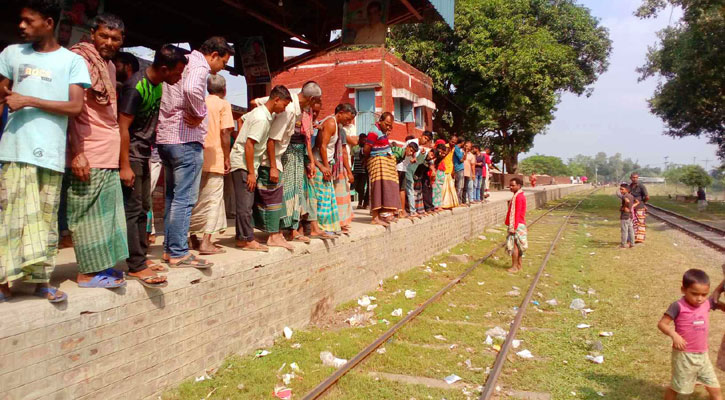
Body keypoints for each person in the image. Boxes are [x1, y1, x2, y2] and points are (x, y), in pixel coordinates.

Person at [0, 0, 91, 302]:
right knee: (9, 218)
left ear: (48, 22)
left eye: (28, 21)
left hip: (50, 152)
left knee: (46, 220)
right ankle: (3, 283)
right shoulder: (11, 54)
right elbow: (2, 96)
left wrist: (29, 100)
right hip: (14, 149)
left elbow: (76, 106)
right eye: (21, 21)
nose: (22, 26)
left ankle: (41, 282)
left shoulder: (71, 61)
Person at [156, 36, 234, 268]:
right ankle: (179, 252)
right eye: (223, 62)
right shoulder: (199, 66)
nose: (222, 68)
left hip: (167, 137)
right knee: (185, 199)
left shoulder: (182, 62)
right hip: (185, 139)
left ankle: (170, 250)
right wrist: (199, 112)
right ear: (214, 55)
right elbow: (191, 89)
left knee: (172, 197)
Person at [66, 13, 129, 289]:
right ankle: (86, 273)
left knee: (106, 214)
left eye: (115, 38)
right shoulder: (77, 60)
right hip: (87, 149)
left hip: (107, 151)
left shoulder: (110, 67)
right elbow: (70, 110)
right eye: (103, 36)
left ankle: (101, 267)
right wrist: (77, 151)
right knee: (86, 213)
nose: (108, 42)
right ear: (92, 33)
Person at [118, 44, 187, 288]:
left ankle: (142, 259)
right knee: (134, 208)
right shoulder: (136, 87)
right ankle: (136, 265)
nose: (179, 78)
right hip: (132, 155)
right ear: (165, 69)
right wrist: (124, 164)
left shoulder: (158, 85)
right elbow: (122, 127)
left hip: (144, 154)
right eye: (178, 73)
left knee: (144, 206)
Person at [253, 81, 323, 243]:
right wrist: (273, 166)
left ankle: (287, 231)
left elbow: (256, 102)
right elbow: (271, 139)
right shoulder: (289, 108)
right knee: (283, 194)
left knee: (293, 193)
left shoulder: (292, 102)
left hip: (284, 155)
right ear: (312, 99)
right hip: (277, 156)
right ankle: (278, 233)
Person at [229, 85, 292, 252]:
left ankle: (243, 237)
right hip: (243, 163)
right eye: (284, 105)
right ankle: (247, 240)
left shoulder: (261, 114)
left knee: (246, 201)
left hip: (245, 161)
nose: (283, 109)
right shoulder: (261, 119)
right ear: (276, 99)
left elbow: (242, 120)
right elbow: (249, 145)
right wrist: (250, 172)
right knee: (245, 203)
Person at [658, 269, 723, 400]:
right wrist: (674, 335)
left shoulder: (707, 303)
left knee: (715, 388)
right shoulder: (678, 306)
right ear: (683, 289)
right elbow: (662, 324)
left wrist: (718, 301)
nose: (699, 298)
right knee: (678, 387)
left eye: (704, 294)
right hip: (684, 355)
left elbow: (720, 304)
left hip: (703, 355)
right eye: (694, 294)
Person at [188, 74, 233, 254]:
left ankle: (192, 238)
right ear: (224, 90)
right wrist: (227, 157)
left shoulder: (201, 101)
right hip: (215, 156)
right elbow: (225, 133)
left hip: (196, 155)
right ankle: (206, 241)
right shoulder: (224, 104)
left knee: (195, 199)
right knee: (213, 199)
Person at [312, 103, 357, 233]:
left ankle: (327, 227)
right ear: (340, 113)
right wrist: (325, 167)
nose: (348, 122)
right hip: (320, 163)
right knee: (322, 198)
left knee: (327, 198)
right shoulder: (331, 123)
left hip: (326, 163)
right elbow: (322, 146)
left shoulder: (338, 126)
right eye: (347, 118)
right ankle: (321, 228)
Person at [363, 112, 402, 226]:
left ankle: (384, 214)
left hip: (386, 165)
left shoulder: (382, 132)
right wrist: (368, 160)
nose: (388, 127)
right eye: (387, 124)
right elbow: (366, 149)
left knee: (387, 188)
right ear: (380, 121)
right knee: (377, 189)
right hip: (377, 163)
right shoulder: (373, 131)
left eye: (390, 126)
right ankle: (375, 217)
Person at [505, 177, 527, 273]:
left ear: (519, 186)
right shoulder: (519, 196)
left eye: (513, 185)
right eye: (510, 185)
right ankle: (519, 265)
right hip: (520, 223)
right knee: (518, 246)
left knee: (514, 246)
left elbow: (516, 213)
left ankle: (514, 267)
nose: (511, 187)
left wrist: (513, 227)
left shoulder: (518, 197)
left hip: (517, 224)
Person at [629, 173, 649, 244]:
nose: (634, 179)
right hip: (632, 206)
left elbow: (647, 196)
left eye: (636, 177)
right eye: (633, 177)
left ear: (638, 178)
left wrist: (643, 203)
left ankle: (640, 238)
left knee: (641, 222)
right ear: (630, 178)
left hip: (640, 206)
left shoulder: (641, 186)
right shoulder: (630, 186)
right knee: (633, 222)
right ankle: (634, 237)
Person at [440, 137, 459, 209]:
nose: (453, 143)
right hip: (444, 169)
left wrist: (453, 170)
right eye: (452, 141)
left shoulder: (454, 148)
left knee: (450, 187)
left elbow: (452, 159)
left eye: (454, 142)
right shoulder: (445, 147)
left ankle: (449, 203)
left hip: (450, 169)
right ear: (449, 140)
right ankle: (442, 204)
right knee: (444, 188)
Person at [352, 133, 369, 209]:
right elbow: (352, 158)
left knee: (361, 187)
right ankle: (362, 200)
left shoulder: (366, 148)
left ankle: (360, 203)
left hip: (364, 171)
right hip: (356, 170)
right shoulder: (355, 148)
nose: (364, 141)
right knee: (356, 187)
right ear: (360, 139)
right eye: (363, 139)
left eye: (365, 139)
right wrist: (351, 168)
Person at [618, 183, 637, 249]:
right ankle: (632, 244)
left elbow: (627, 201)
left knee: (624, 230)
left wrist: (624, 207)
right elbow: (637, 202)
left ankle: (623, 245)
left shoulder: (625, 196)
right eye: (620, 189)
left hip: (625, 215)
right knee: (631, 230)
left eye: (622, 189)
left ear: (627, 190)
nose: (620, 191)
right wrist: (630, 207)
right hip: (630, 215)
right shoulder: (631, 196)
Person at [452, 135, 465, 204]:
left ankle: (459, 201)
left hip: (461, 168)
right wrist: (464, 153)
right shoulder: (456, 148)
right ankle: (457, 202)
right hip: (458, 169)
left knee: (461, 186)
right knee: (459, 186)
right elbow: (461, 159)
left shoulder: (459, 149)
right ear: (462, 142)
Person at [463, 140, 475, 204]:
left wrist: (473, 174)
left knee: (467, 187)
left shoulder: (472, 155)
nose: (467, 147)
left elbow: (473, 166)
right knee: (460, 187)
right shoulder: (461, 152)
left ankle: (469, 200)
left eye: (468, 146)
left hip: (467, 173)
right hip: (460, 172)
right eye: (466, 146)